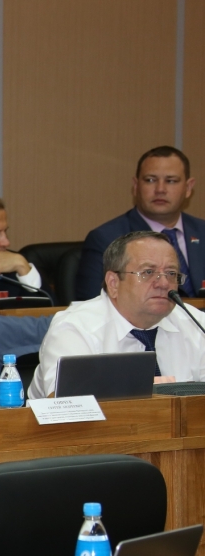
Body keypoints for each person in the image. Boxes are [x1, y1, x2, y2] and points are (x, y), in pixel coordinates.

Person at [30, 231, 205, 399]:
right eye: (148, 272)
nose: (164, 283)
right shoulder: (75, 330)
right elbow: (68, 408)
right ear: (113, 283)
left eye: (171, 273)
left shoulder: (196, 324)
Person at [76, 146, 203, 300]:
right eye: (150, 180)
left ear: (188, 188)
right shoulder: (106, 239)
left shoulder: (201, 231)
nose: (160, 189)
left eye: (171, 181)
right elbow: (94, 304)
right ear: (136, 186)